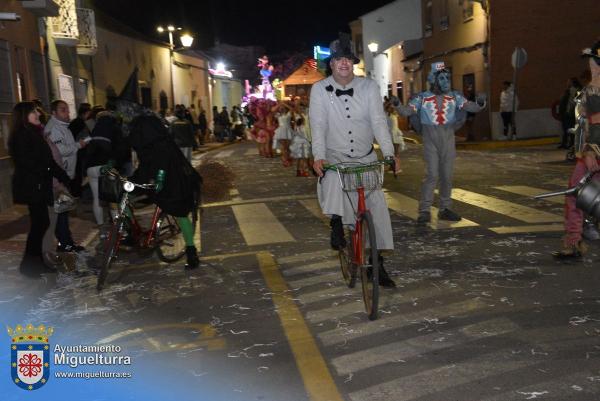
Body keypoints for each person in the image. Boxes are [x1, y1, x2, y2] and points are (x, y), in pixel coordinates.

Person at [309, 36, 400, 288]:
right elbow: (317, 126)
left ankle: (377, 264)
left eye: (348, 59)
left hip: (365, 155)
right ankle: (336, 223)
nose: (344, 64)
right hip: (335, 155)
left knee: (377, 208)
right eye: (338, 59)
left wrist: (390, 154)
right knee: (330, 179)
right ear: (331, 64)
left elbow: (379, 122)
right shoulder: (318, 90)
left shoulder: (369, 87)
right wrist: (319, 156)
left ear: (353, 63)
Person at [392, 61, 486, 224]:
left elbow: (472, 107)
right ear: (434, 80)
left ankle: (445, 209)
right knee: (432, 175)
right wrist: (397, 104)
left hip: (448, 137)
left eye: (447, 78)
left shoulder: (455, 97)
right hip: (430, 138)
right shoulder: (422, 98)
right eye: (442, 79)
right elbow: (407, 111)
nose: (446, 82)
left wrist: (480, 102)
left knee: (447, 176)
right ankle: (425, 210)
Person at [128, 114, 202, 269]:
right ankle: (131, 234)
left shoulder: (164, 145)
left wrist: (159, 178)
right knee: (125, 195)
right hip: (157, 182)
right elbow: (145, 167)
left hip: (175, 183)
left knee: (180, 213)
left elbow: (164, 165)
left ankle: (191, 251)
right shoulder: (147, 145)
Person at [8, 102, 71, 268]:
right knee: (41, 223)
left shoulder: (35, 133)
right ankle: (30, 264)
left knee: (42, 223)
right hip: (32, 187)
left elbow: (49, 160)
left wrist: (64, 177)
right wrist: (49, 169)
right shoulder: (21, 135)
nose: (37, 114)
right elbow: (27, 162)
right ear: (24, 115)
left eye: (37, 111)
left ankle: (33, 262)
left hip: (40, 185)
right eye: (33, 112)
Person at [553, 41, 600, 258]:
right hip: (589, 151)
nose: (592, 67)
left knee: (577, 192)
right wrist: (582, 151)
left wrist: (590, 150)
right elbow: (583, 124)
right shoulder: (590, 89)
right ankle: (574, 241)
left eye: (594, 63)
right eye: (592, 64)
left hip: (595, 151)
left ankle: (575, 239)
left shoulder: (595, 89)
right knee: (576, 192)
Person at [45, 100, 87, 252]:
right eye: (63, 110)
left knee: (63, 211)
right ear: (54, 113)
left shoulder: (63, 127)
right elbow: (60, 150)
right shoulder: (53, 128)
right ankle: (65, 245)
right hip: (58, 178)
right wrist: (77, 146)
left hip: (65, 175)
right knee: (61, 213)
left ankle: (66, 243)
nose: (67, 113)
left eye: (68, 110)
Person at [558, 77, 583, 149]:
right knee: (566, 129)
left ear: (572, 82)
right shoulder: (569, 90)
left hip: (571, 113)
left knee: (570, 128)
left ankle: (570, 143)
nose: (567, 83)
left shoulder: (576, 90)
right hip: (567, 112)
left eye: (569, 81)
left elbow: (573, 102)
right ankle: (566, 143)